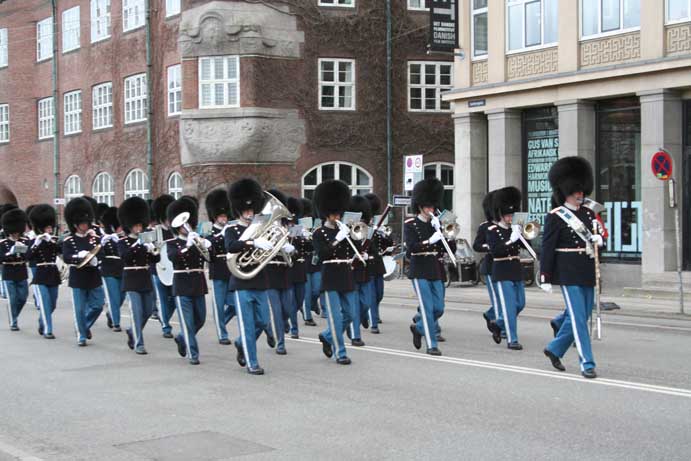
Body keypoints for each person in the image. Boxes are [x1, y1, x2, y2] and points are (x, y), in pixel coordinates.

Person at [541, 156, 603, 379]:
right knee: (577, 318)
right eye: (576, 191)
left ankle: (555, 348)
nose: (580, 194)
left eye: (581, 190)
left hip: (586, 269)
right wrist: (545, 276)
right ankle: (587, 363)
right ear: (566, 191)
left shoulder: (589, 214)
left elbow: (597, 241)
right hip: (567, 271)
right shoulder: (556, 216)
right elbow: (548, 248)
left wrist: (600, 240)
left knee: (583, 316)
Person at [225, 178, 273, 375]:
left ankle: (241, 343)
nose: (249, 213)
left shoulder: (261, 229)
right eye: (245, 211)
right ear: (238, 211)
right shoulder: (231, 229)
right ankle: (252, 363)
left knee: (263, 321)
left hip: (259, 280)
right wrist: (252, 243)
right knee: (247, 325)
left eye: (251, 210)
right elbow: (231, 246)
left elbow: (269, 248)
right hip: (241, 282)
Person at [406, 178, 455, 356]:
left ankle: (419, 327)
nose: (431, 210)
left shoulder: (437, 224)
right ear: (420, 206)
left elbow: (450, 249)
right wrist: (429, 241)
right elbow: (412, 248)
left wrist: (447, 236)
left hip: (435, 268)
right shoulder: (410, 225)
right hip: (419, 269)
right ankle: (431, 344)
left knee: (439, 307)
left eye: (432, 207)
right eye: (427, 207)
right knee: (427, 308)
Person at [312, 179, 358, 365]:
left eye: (338, 213)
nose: (337, 216)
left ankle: (327, 336)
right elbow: (323, 254)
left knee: (350, 314)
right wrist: (338, 239)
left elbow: (354, 250)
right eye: (333, 213)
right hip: (330, 276)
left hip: (346, 274)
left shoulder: (346, 231)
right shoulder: (318, 233)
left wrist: (356, 243)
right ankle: (340, 353)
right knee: (335, 318)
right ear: (326, 213)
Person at [167, 197, 211, 365]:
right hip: (182, 285)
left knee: (200, 319)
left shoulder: (197, 239)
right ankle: (193, 354)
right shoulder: (173, 243)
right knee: (187, 322)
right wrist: (187, 246)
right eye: (182, 225)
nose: (186, 226)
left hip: (198, 284)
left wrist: (207, 245)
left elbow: (210, 259)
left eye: (188, 223)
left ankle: (182, 337)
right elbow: (173, 257)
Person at [118, 197, 160, 355]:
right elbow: (125, 257)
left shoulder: (146, 240)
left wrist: (153, 250)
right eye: (136, 226)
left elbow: (156, 260)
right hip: (131, 279)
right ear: (129, 226)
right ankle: (139, 343)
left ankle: (133, 331)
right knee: (136, 312)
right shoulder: (123, 242)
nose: (138, 228)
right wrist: (138, 245)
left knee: (148, 311)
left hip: (145, 278)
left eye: (140, 225)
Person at [62, 197, 106, 346]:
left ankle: (84, 326)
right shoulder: (69, 240)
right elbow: (66, 257)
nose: (85, 225)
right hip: (78, 276)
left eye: (86, 223)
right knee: (79, 309)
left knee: (98, 305)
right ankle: (81, 335)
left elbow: (102, 254)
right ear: (75, 224)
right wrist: (78, 257)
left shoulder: (94, 238)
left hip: (93, 276)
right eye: (82, 223)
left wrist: (96, 260)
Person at [486, 187, 526, 350]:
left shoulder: (514, 229)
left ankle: (498, 323)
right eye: (508, 215)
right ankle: (512, 339)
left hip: (516, 269)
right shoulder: (493, 231)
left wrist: (522, 235)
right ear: (501, 215)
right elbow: (496, 251)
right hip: (502, 270)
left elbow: (527, 246)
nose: (510, 218)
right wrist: (511, 240)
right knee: (509, 307)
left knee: (520, 304)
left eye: (512, 215)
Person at [205, 189, 236, 345]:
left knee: (235, 305)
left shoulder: (230, 230)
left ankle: (221, 322)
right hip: (217, 269)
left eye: (225, 216)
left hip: (231, 269)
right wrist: (220, 235)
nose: (224, 219)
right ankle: (222, 334)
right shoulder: (209, 230)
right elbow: (208, 244)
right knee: (218, 304)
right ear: (215, 217)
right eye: (221, 216)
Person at [26, 205, 61, 339]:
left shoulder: (53, 240)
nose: (50, 230)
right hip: (40, 274)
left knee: (52, 304)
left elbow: (61, 251)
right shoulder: (34, 241)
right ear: (41, 228)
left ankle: (42, 322)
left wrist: (51, 241)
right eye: (47, 228)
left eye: (51, 227)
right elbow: (28, 257)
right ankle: (48, 330)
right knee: (45, 302)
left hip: (53, 273)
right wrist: (36, 243)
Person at [473, 191, 501, 343]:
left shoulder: (508, 226)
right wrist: (488, 246)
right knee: (498, 300)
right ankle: (502, 327)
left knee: (511, 302)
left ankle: (491, 315)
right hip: (490, 267)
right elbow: (476, 245)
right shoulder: (485, 227)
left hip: (506, 267)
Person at [346, 195, 371, 347]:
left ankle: (354, 321)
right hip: (351, 271)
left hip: (364, 272)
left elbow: (373, 250)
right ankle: (355, 335)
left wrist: (369, 255)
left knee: (366, 303)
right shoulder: (345, 231)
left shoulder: (367, 231)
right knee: (353, 305)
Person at [0, 208, 30, 331]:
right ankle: (13, 321)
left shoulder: (25, 241)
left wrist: (24, 251)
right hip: (8, 271)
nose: (16, 233)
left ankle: (14, 315)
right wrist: (10, 253)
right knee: (12, 298)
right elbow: (1, 258)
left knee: (23, 297)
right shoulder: (3, 243)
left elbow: (29, 256)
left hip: (21, 270)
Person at [151, 194, 176, 338]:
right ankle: (166, 326)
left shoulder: (175, 230)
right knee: (162, 299)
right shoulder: (155, 232)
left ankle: (164, 316)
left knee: (174, 298)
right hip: (158, 269)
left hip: (174, 270)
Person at [99, 207, 125, 332]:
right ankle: (116, 323)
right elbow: (98, 254)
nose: (121, 229)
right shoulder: (104, 238)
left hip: (122, 269)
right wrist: (102, 244)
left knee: (121, 297)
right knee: (114, 297)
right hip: (108, 269)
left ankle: (111, 313)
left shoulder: (123, 238)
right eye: (119, 226)